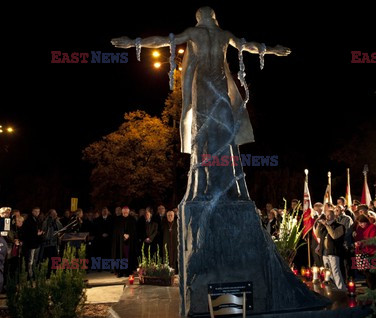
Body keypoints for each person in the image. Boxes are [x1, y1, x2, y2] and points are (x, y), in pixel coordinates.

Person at [111, 6, 290, 201]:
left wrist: (134, 42)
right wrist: (272, 49)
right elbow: (247, 46)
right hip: (221, 91)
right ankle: (226, 187)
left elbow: (164, 40)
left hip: (204, 89)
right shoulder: (224, 34)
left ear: (199, 17)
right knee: (226, 137)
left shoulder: (194, 32)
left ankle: (206, 188)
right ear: (214, 17)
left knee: (203, 137)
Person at [315, 209, 346, 290]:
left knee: (335, 271)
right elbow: (317, 235)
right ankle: (333, 287)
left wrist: (327, 225)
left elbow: (334, 235)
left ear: (334, 216)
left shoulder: (340, 226)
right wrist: (319, 225)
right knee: (328, 271)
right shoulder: (324, 227)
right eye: (326, 215)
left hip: (334, 251)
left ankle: (341, 288)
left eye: (329, 215)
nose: (327, 217)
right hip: (325, 251)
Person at [112, 206, 137, 277]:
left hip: (129, 242)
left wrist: (129, 235)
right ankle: (120, 272)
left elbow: (134, 230)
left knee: (128, 256)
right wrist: (123, 235)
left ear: (128, 212)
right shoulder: (118, 219)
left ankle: (128, 271)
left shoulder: (132, 219)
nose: (125, 212)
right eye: (124, 211)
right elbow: (116, 231)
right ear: (122, 212)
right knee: (120, 256)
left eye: (126, 211)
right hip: (120, 242)